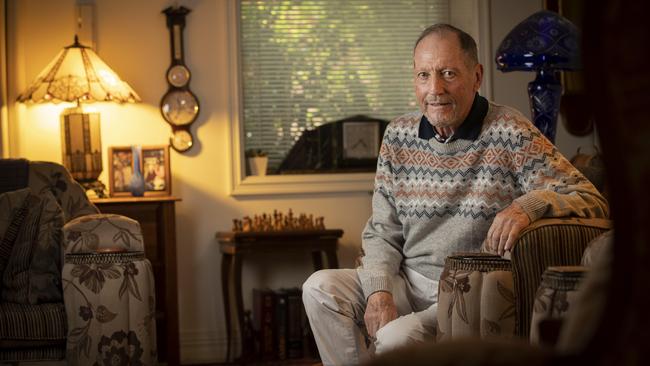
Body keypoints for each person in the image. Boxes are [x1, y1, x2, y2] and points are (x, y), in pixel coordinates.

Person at [302, 24, 609, 365]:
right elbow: (382, 230)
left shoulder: (510, 130)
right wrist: (379, 290)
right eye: (424, 75)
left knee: (393, 339)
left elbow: (588, 194)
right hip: (407, 278)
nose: (435, 89)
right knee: (319, 288)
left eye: (448, 73)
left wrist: (527, 206)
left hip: (464, 289)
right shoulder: (397, 135)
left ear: (476, 77)